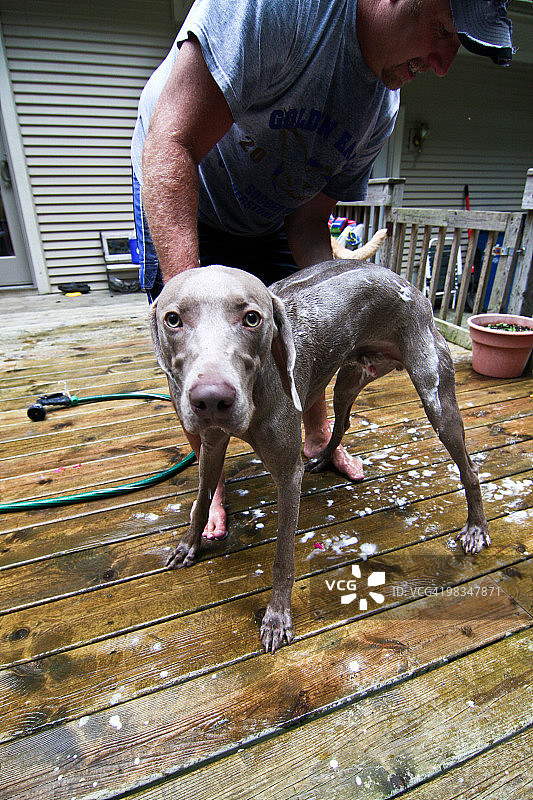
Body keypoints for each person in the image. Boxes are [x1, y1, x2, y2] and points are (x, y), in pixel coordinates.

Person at [131, 0, 513, 538]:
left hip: (274, 209)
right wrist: (191, 302)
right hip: (188, 189)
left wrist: (349, 322)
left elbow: (310, 225)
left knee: (292, 346)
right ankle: (210, 479)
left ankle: (316, 435)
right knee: (205, 354)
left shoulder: (380, 107)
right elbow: (171, 144)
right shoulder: (274, 10)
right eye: (446, 31)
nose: (446, 63)